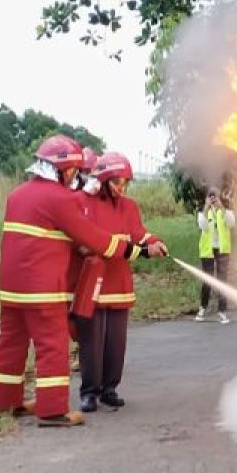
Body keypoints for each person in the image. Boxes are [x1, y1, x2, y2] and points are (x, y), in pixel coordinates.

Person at [0, 135, 148, 427]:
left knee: (11, 342)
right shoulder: (59, 199)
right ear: (61, 169)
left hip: (11, 288)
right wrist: (131, 249)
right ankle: (52, 412)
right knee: (52, 344)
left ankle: (6, 401)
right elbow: (94, 238)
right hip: (42, 288)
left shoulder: (17, 195)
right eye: (74, 171)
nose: (76, 177)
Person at [75, 152, 168, 412]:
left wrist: (153, 241)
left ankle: (109, 389)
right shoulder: (83, 202)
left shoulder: (128, 206)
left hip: (119, 283)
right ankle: (89, 392)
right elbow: (87, 240)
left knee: (116, 342)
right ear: (103, 180)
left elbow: (137, 232)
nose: (121, 188)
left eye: (125, 182)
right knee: (92, 342)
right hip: (93, 282)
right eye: (117, 182)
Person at [197, 186, 236, 324]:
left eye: (215, 196)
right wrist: (206, 208)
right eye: (210, 196)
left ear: (219, 197)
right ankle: (202, 308)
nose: (213, 199)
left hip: (222, 249)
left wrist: (222, 208)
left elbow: (231, 223)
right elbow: (202, 226)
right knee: (207, 280)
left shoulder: (226, 210)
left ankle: (222, 311)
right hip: (207, 250)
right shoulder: (203, 212)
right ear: (207, 198)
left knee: (222, 280)